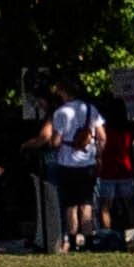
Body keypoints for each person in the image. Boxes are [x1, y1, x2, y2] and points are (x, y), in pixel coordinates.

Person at [42, 82, 107, 256]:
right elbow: (102, 136)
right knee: (86, 203)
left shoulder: (61, 112)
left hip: (68, 163)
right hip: (88, 163)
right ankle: (89, 239)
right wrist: (98, 155)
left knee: (70, 204)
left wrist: (54, 143)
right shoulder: (90, 108)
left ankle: (72, 239)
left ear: (64, 93)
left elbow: (56, 141)